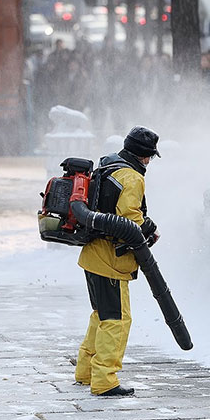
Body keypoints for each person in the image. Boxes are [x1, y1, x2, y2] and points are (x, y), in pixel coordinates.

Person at [74, 126, 161, 397]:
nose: (149, 162)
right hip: (111, 260)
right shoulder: (132, 177)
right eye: (149, 157)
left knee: (101, 315)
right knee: (117, 320)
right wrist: (150, 228)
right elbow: (130, 218)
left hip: (92, 255)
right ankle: (105, 380)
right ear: (144, 156)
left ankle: (86, 371)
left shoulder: (107, 166)